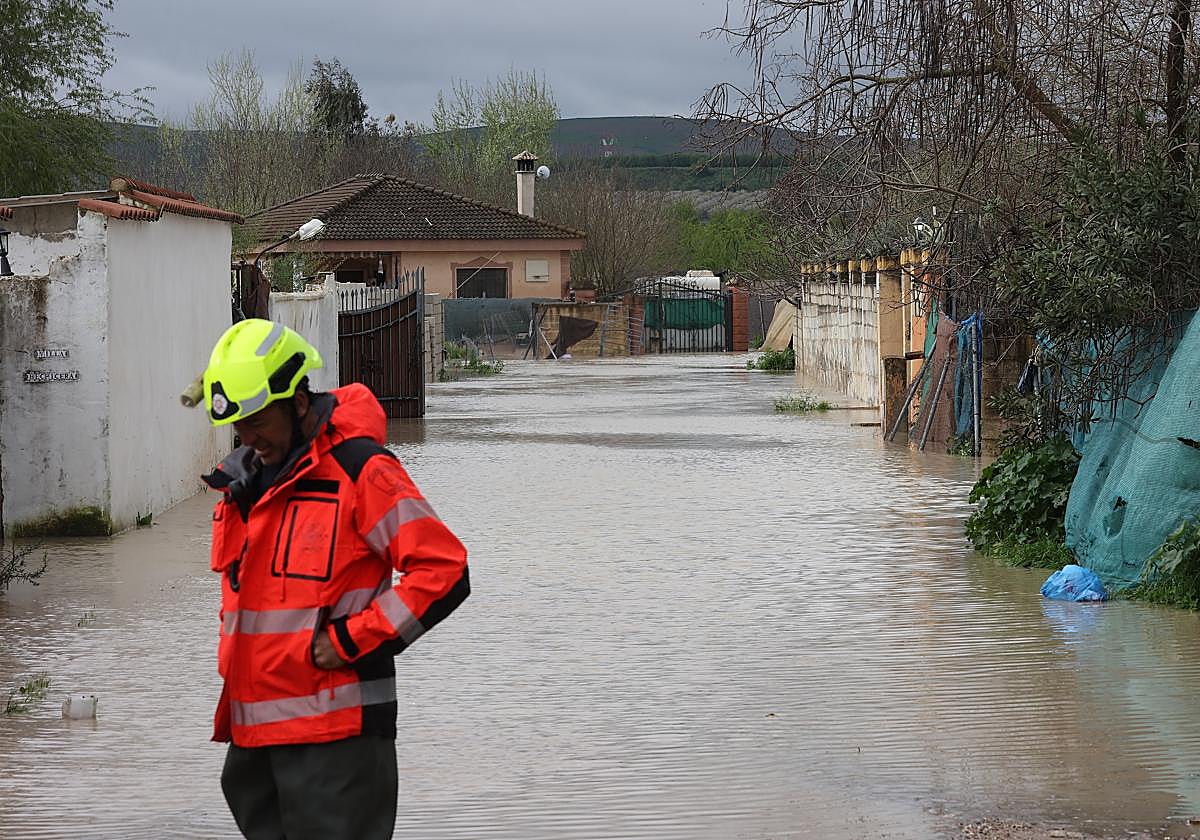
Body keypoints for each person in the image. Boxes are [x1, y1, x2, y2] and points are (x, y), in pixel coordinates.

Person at [200, 319, 470, 839]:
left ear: (298, 402)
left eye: (257, 419)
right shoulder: (245, 485)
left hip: (335, 740)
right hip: (254, 743)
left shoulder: (360, 471)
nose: (247, 437)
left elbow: (444, 568)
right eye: (238, 425)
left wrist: (351, 640)